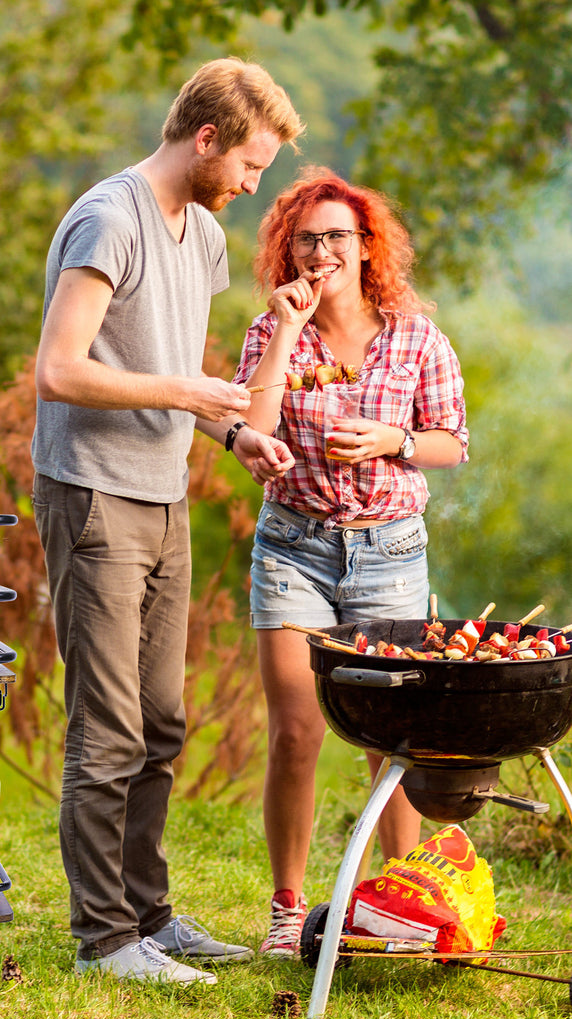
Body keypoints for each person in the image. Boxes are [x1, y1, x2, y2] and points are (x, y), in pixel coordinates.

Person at [31, 58, 303, 984]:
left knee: (161, 720)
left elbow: (175, 367)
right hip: (93, 490)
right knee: (106, 724)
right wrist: (187, 389)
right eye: (249, 166)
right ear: (206, 139)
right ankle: (103, 939)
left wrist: (228, 433)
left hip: (162, 491)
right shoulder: (111, 218)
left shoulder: (204, 237)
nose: (251, 186)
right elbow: (60, 370)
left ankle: (149, 915)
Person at [228, 168, 468, 956]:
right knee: (297, 730)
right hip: (294, 544)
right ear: (287, 250)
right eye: (308, 238)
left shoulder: (417, 337)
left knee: (390, 740)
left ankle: (397, 907)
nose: (323, 249)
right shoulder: (272, 332)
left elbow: (450, 443)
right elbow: (252, 430)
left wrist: (392, 440)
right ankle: (288, 910)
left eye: (338, 236)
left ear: (367, 248)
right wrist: (290, 330)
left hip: (391, 549)